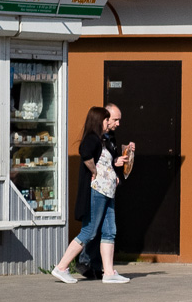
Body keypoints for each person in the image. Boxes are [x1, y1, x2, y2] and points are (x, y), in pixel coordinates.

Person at [51, 104, 132, 284]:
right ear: (100, 120)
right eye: (108, 119)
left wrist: (113, 170)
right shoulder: (93, 138)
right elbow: (85, 153)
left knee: (109, 230)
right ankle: (61, 267)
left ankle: (109, 273)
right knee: (89, 230)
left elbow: (107, 162)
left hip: (107, 191)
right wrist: (94, 171)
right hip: (97, 191)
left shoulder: (105, 139)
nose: (111, 123)